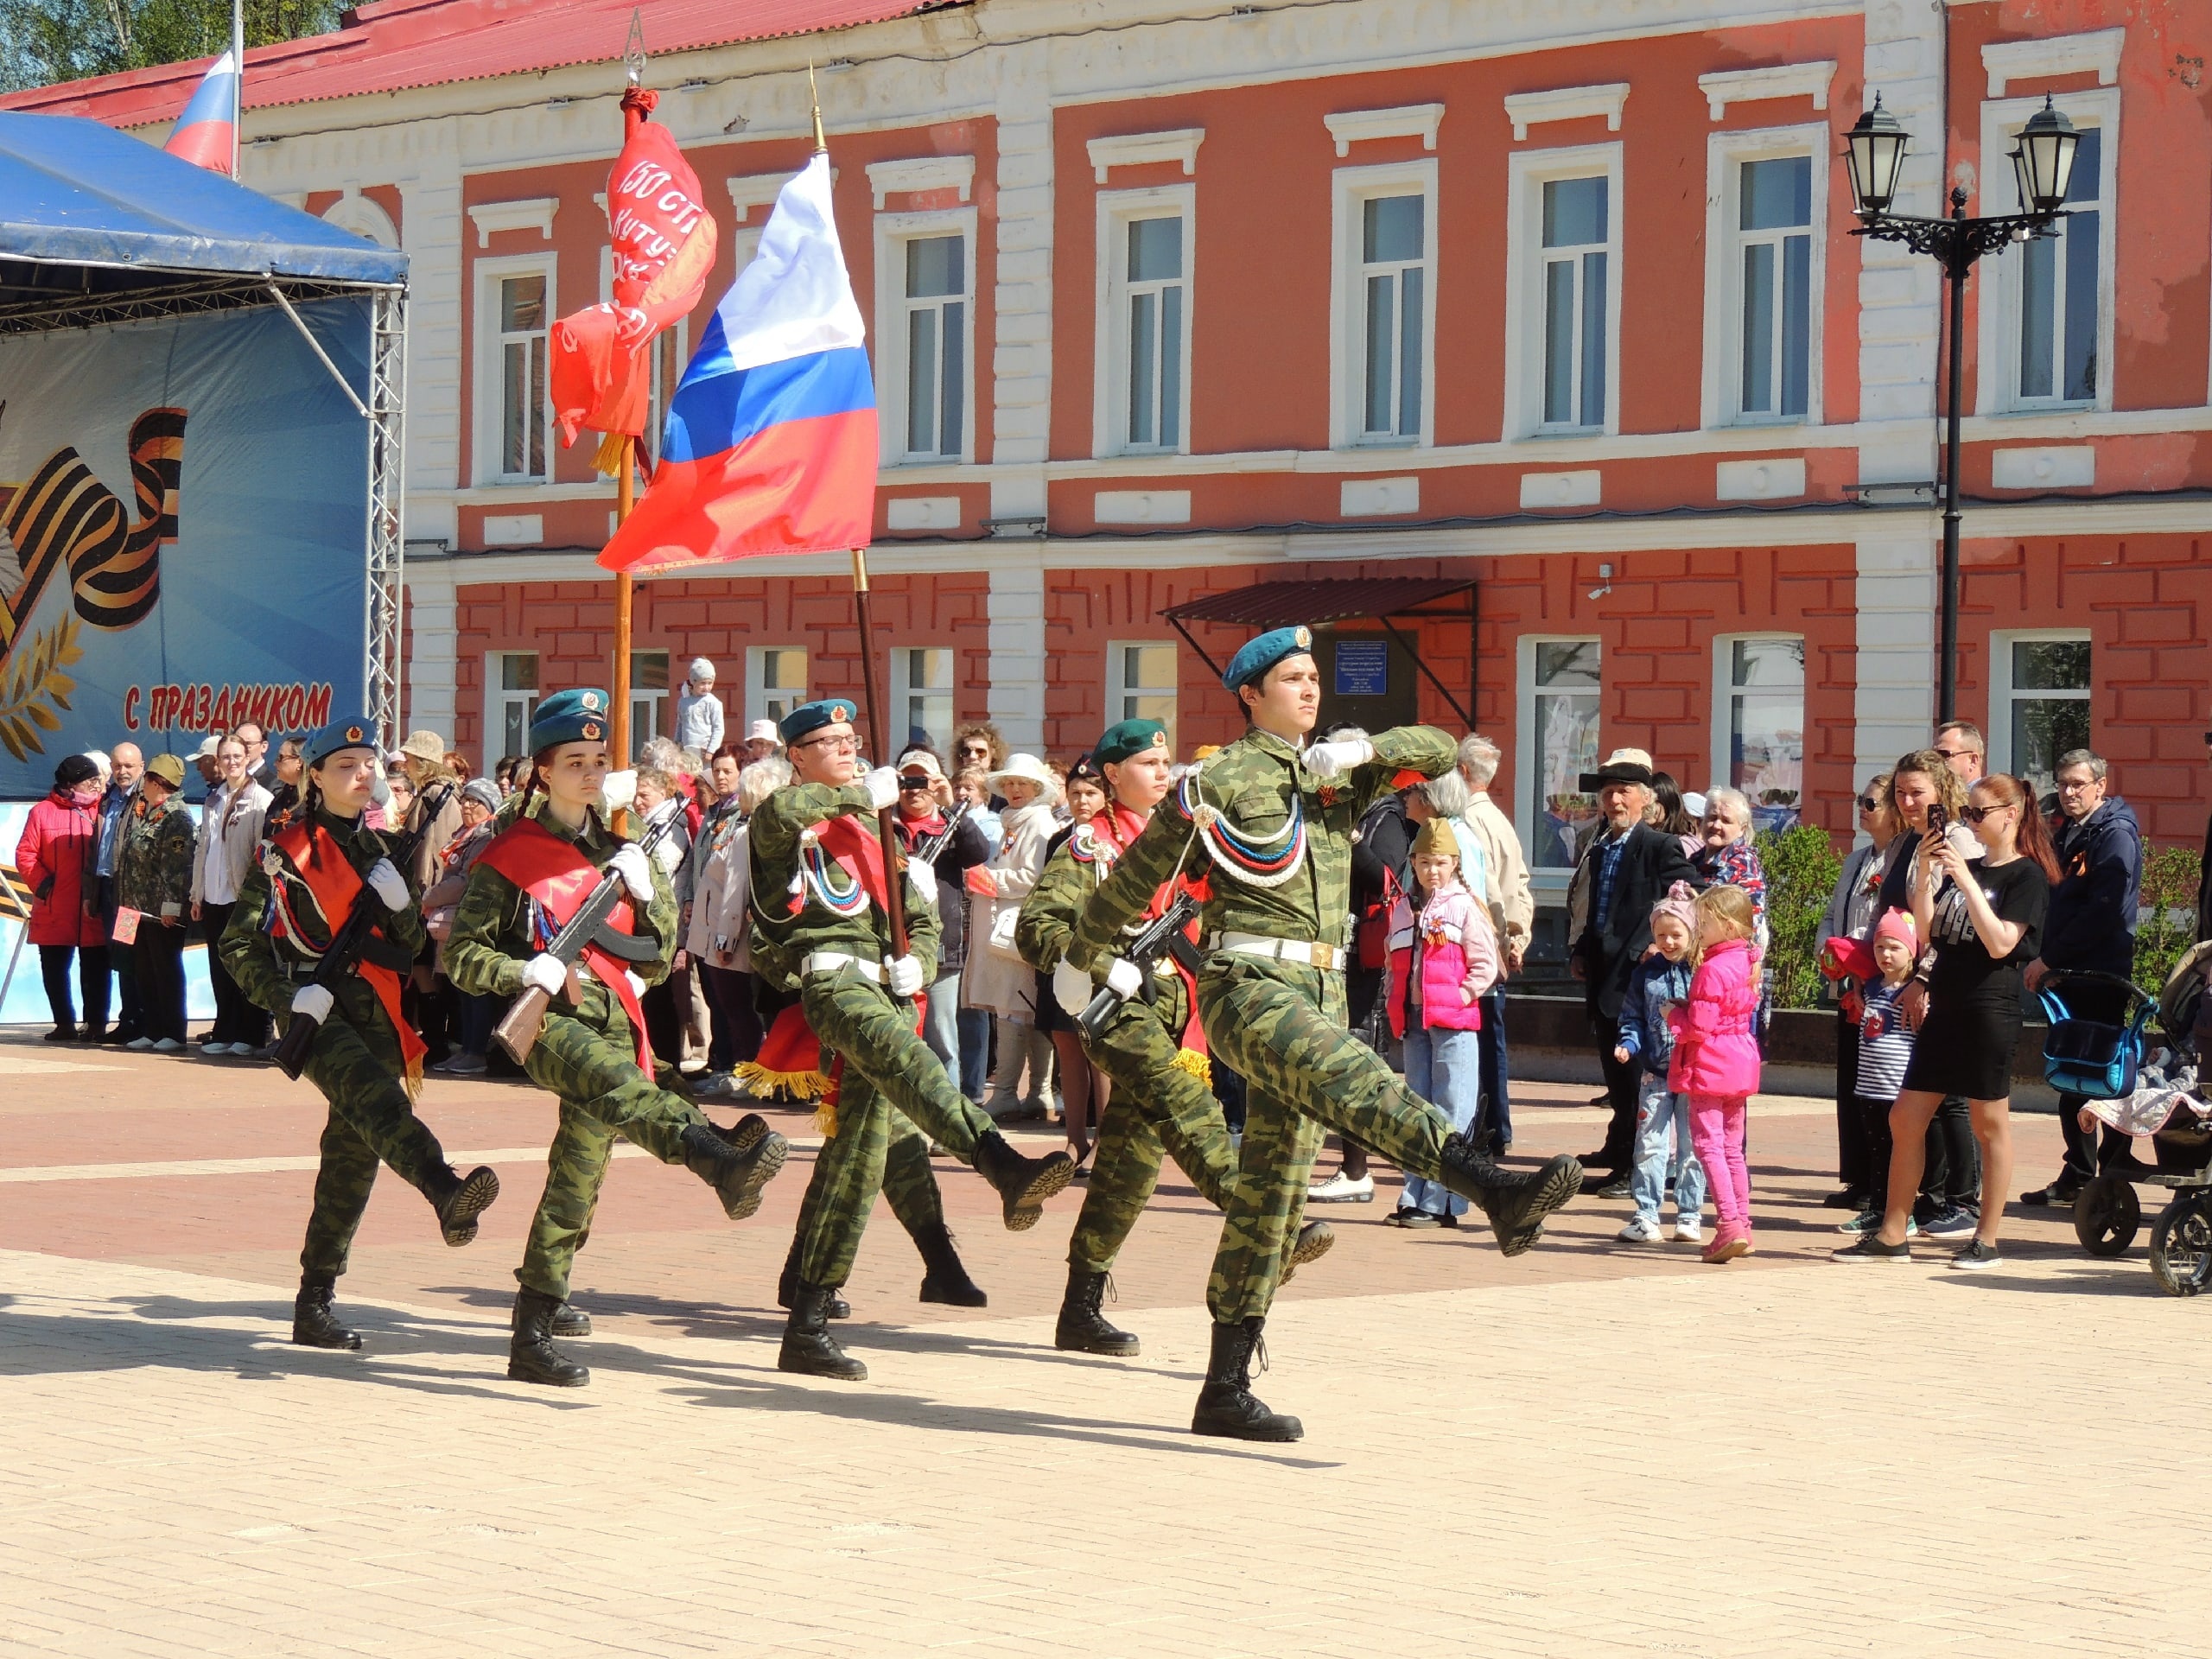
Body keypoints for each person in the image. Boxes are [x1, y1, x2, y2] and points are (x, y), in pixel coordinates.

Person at [1066, 627, 1580, 1441]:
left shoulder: (1337, 769)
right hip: (1247, 987)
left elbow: (1443, 749)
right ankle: (1490, 1185)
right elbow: (1135, 878)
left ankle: (1224, 1388)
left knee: (1269, 1202)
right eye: (1292, 679)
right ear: (1249, 693)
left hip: (1321, 985)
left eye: (1313, 678)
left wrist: (1361, 751)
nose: (1310, 690)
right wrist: (1080, 956)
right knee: (1356, 1079)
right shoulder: (1220, 780)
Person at [445, 690, 791, 1386]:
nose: (590, 772)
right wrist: (525, 966)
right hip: (550, 1024)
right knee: (623, 1088)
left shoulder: (616, 849)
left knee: (577, 1178)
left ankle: (534, 1326)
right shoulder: (510, 854)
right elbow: (462, 956)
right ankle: (714, 1158)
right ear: (543, 770)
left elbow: (658, 956)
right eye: (575, 761)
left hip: (612, 1018)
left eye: (599, 759)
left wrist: (650, 885)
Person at [743, 698, 1071, 1381]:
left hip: (884, 988)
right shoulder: (786, 819)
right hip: (831, 985)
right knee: (913, 1066)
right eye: (829, 742)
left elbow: (918, 916)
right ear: (797, 756)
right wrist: (866, 793)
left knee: (860, 1156)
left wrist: (918, 961)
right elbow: (781, 820)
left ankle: (806, 1317)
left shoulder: (875, 830)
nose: (845, 747)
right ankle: (1000, 1165)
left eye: (851, 739)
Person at [1027, 718, 1330, 1356]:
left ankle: (1079, 1310)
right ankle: (1276, 1230)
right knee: (1191, 1109)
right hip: (1115, 1009)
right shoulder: (1093, 846)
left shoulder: (1180, 840)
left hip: (1172, 1007)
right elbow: (1039, 924)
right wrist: (1096, 959)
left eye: (1166, 761)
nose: (1163, 773)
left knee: (1129, 1167)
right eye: (1146, 763)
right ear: (1111, 776)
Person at [221, 716, 505, 1351]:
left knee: (352, 1157)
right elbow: (238, 943)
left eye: (368, 764)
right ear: (315, 777)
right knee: (380, 1103)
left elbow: (403, 953)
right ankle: (444, 1187)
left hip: (373, 1011)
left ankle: (314, 1301)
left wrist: (404, 908)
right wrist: (290, 997)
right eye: (345, 766)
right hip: (315, 1015)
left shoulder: (382, 854)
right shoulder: (285, 852)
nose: (362, 775)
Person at [1835, 772, 2056, 1269]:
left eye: (1979, 813)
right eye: (1968, 813)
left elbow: (2001, 943)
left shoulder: (2026, 877)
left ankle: (1988, 1237)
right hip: (1946, 1004)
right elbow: (1929, 931)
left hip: (1988, 1009)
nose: (1971, 823)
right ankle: (1893, 1233)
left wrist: (1963, 877)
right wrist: (1924, 870)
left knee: (1988, 1122)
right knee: (1905, 1116)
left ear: (2010, 814)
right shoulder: (1970, 867)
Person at [1567, 749, 1697, 1187]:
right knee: (1618, 1084)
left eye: (1623, 792)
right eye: (1608, 793)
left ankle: (1641, 1171)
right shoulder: (1600, 846)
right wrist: (1582, 949)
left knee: (1641, 1082)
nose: (1615, 801)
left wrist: (1653, 943)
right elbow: (1596, 912)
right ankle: (1623, 1162)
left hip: (1640, 982)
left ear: (1645, 799)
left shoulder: (1659, 846)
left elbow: (1690, 893)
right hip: (1604, 980)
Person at [2021, 749, 2142, 1205]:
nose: (2069, 793)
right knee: (2071, 1076)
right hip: (2070, 974)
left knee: (2100, 1077)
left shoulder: (2115, 835)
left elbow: (2103, 911)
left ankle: (2110, 1178)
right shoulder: (2070, 829)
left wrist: (2050, 958)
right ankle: (2078, 1173)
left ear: (2100, 785)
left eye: (2078, 784)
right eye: (2064, 783)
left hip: (2098, 975)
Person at [1871, 752, 1982, 1236]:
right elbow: (1891, 910)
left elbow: (1954, 921)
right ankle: (1916, 1199)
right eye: (1900, 792)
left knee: (1951, 1097)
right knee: (1910, 1097)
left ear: (1942, 791)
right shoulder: (1902, 843)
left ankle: (1962, 1201)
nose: (1908, 801)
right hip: (1901, 979)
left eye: (1918, 792)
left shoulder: (1957, 839)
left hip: (1940, 979)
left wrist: (1925, 979)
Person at [1383, 817, 1502, 1229]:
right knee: (1417, 1111)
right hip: (1414, 1022)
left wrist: (1461, 995)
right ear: (1413, 864)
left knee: (1452, 1111)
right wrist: (1391, 1001)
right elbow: (1392, 963)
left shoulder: (1464, 906)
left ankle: (1445, 1202)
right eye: (1424, 863)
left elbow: (1487, 966)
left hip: (1453, 1023)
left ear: (1454, 864)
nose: (1432, 871)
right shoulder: (1403, 908)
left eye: (1440, 863)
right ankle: (1413, 1193)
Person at [1815, 773, 1898, 1209]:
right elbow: (1833, 913)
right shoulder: (1856, 859)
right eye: (1859, 801)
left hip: (1880, 984)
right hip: (1848, 982)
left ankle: (1880, 1181)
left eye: (1870, 802)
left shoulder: (1900, 860)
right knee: (1850, 1078)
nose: (1862, 809)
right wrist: (1828, 952)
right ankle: (1857, 1177)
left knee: (1878, 1082)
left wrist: (1864, 962)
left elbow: (1890, 923)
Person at [888, 748, 990, 1097]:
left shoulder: (951, 822)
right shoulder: (883, 823)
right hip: (891, 943)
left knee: (943, 1037)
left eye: (923, 780)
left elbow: (979, 852)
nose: (914, 789)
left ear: (937, 782)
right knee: (896, 1035)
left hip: (943, 946)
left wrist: (951, 807)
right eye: (907, 780)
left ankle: (947, 1118)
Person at [965, 752, 1061, 1122]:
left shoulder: (1036, 822)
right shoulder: (1016, 820)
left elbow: (1033, 876)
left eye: (1022, 783)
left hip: (1015, 929)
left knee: (1013, 1009)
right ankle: (1036, 1093)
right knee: (1026, 1010)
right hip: (1007, 928)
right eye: (1009, 783)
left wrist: (989, 880)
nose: (1015, 789)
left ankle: (1007, 1093)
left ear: (1037, 788)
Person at [1670, 885, 1762, 1263]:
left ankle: (1728, 1225)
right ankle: (1743, 1222)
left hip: (1711, 1062)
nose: (1699, 930)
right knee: (1732, 1148)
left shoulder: (1711, 969)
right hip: (1740, 1058)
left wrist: (1673, 1015)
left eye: (1704, 923)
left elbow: (1699, 1027)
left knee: (1708, 1145)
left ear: (1726, 926)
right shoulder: (1747, 961)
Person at [1612, 883, 1703, 1245]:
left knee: (1692, 1148)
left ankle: (1689, 1215)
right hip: (1655, 1072)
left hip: (1695, 1073)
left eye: (1676, 934)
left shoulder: (1703, 971)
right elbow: (1632, 1015)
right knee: (1649, 1143)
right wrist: (1628, 1043)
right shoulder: (1646, 974)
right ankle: (1646, 1215)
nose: (1667, 942)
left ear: (1693, 932)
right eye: (1660, 934)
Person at [1457, 735, 1531, 1155]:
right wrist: (1517, 939)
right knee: (1491, 1044)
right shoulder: (1500, 819)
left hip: (1479, 948)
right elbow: (1520, 884)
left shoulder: (1468, 822)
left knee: (1481, 1045)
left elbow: (1484, 892)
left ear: (1463, 773)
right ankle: (1496, 1129)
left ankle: (1488, 1131)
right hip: (1499, 944)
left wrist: (1502, 939)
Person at [1836, 907, 1921, 1238]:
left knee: (1897, 1152)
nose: (1886, 955)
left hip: (1897, 1089)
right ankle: (1877, 1209)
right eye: (1880, 947)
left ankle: (1902, 1212)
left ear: (1911, 951)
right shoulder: (1871, 988)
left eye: (1895, 947)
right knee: (1877, 1152)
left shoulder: (1914, 992)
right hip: (1868, 1087)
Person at [190, 733, 274, 1057]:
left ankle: (250, 1033)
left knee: (247, 965)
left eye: (237, 756)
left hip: (243, 896)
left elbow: (259, 853)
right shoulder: (214, 799)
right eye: (225, 757)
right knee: (219, 965)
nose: (231, 762)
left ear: (247, 757)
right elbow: (203, 849)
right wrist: (197, 894)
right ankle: (225, 1029)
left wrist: (255, 898)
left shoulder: (260, 799)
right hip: (213, 894)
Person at [16, 754, 108, 1043]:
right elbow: (25, 854)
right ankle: (64, 1023)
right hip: (55, 906)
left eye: (97, 780)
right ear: (70, 785)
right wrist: (44, 886)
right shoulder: (42, 812)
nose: (97, 786)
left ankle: (95, 1024)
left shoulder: (104, 810)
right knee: (55, 970)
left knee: (96, 969)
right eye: (89, 781)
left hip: (92, 907)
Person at [423, 777, 505, 1076]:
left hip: (472, 920)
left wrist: (430, 896)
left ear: (490, 806)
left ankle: (475, 1050)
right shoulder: (464, 833)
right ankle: (467, 1050)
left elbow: (467, 879)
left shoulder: (487, 836)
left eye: (476, 801)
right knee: (460, 985)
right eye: (466, 799)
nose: (468, 805)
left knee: (475, 986)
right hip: (452, 920)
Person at [116, 753, 196, 1052]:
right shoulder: (147, 812)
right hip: (134, 909)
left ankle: (173, 1032)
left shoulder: (177, 817)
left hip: (160, 911)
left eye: (146, 779)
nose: (142, 785)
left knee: (166, 969)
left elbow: (177, 866)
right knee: (142, 970)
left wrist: (172, 907)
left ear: (156, 782)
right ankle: (151, 1028)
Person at [631, 765, 695, 1071]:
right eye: (635, 795)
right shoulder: (650, 824)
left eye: (644, 795)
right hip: (654, 921)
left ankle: (668, 1062)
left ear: (663, 793)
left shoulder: (670, 828)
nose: (638, 801)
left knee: (660, 997)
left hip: (664, 923)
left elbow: (662, 870)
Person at [91, 742, 144, 1044]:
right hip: (108, 887)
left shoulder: (143, 799)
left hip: (130, 892)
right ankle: (129, 1018)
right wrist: (92, 891)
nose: (122, 772)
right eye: (118, 766)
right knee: (119, 956)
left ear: (141, 766)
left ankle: (138, 1020)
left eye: (128, 766)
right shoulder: (107, 799)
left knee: (132, 957)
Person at [674, 658, 727, 757]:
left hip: (704, 751)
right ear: (693, 681)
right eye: (703, 683)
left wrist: (712, 750)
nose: (707, 687)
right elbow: (680, 724)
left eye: (710, 683)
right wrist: (676, 744)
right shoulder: (684, 701)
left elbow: (718, 728)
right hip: (686, 750)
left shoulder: (713, 703)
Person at [265, 736, 305, 830]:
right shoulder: (281, 797)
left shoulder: (313, 800)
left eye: (281, 757)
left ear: (299, 762)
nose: (275, 763)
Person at [1935, 720, 1986, 785]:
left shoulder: (1988, 794)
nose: (1934, 760)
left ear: (1973, 760)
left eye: (1944, 754)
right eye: (1933, 754)